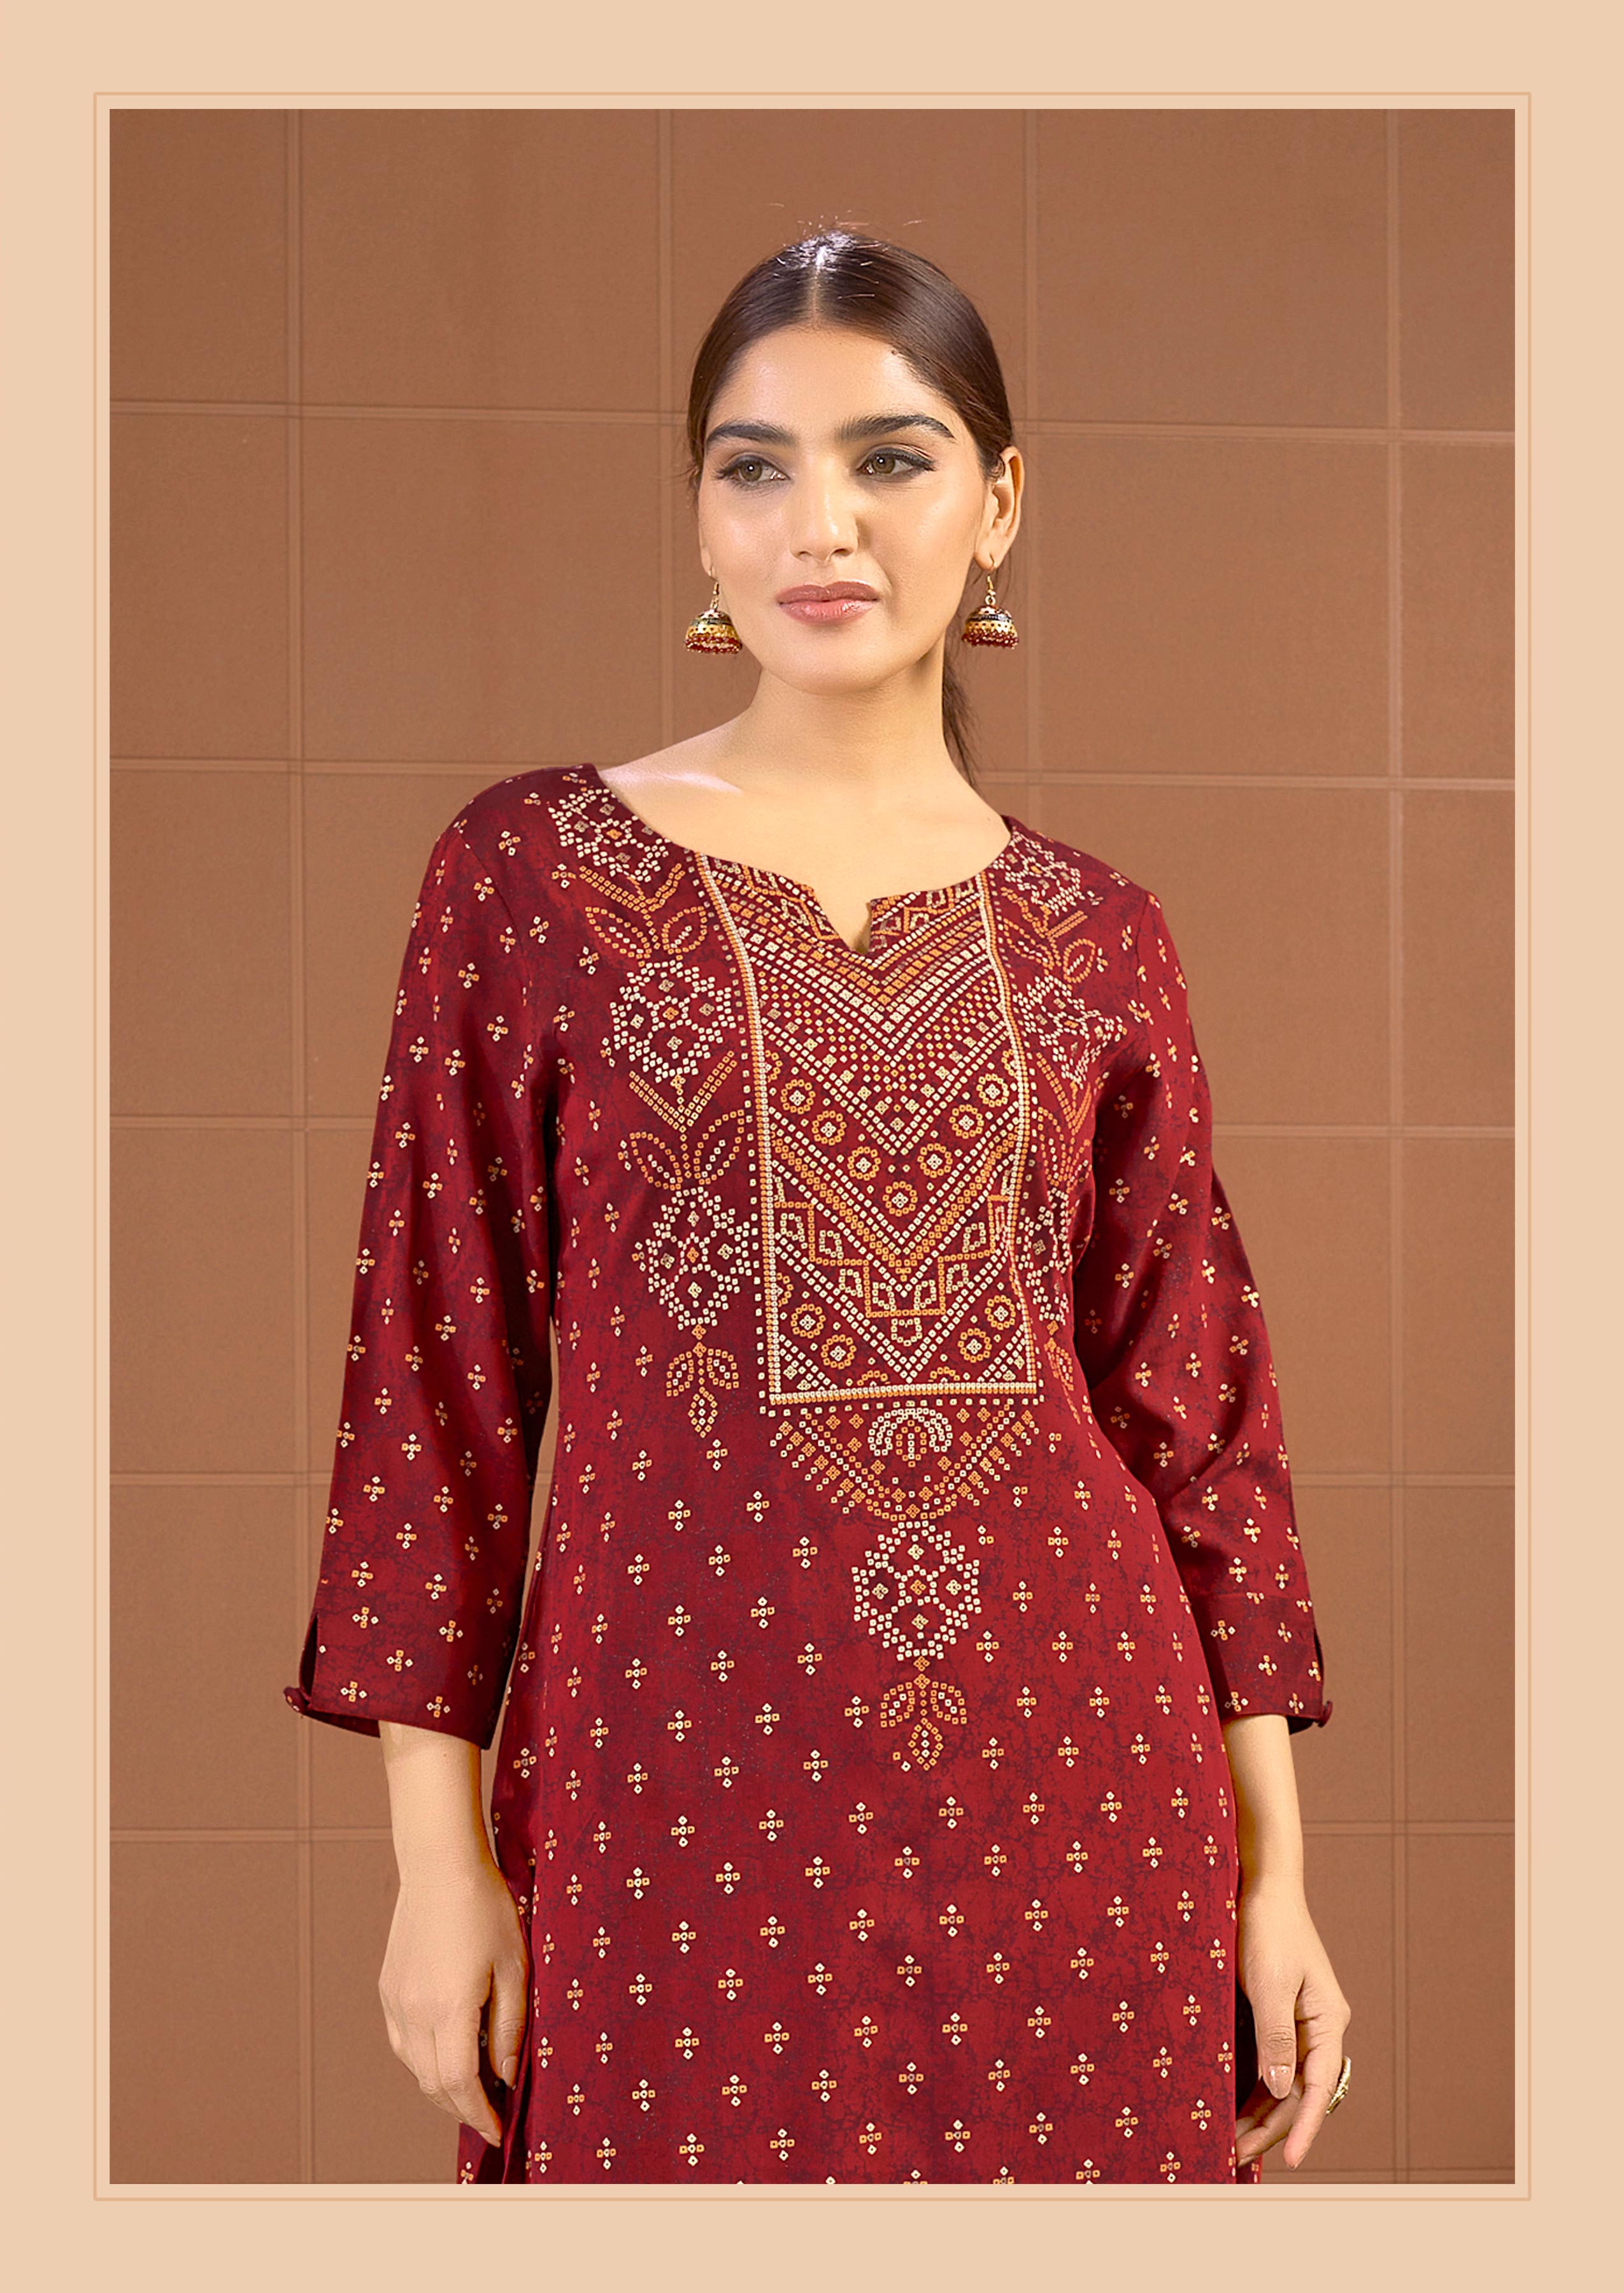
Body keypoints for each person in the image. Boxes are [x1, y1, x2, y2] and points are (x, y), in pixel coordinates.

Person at [285, 229, 1351, 2187]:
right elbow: (435, 1387)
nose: (819, 524)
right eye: (756, 467)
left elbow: (1194, 1417)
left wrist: (1273, 1878)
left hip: (1081, 1805)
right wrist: (439, 1867)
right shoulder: (533, 874)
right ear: (702, 517)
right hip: (669, 1804)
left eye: (891, 459)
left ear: (999, 503)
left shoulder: (1101, 935)